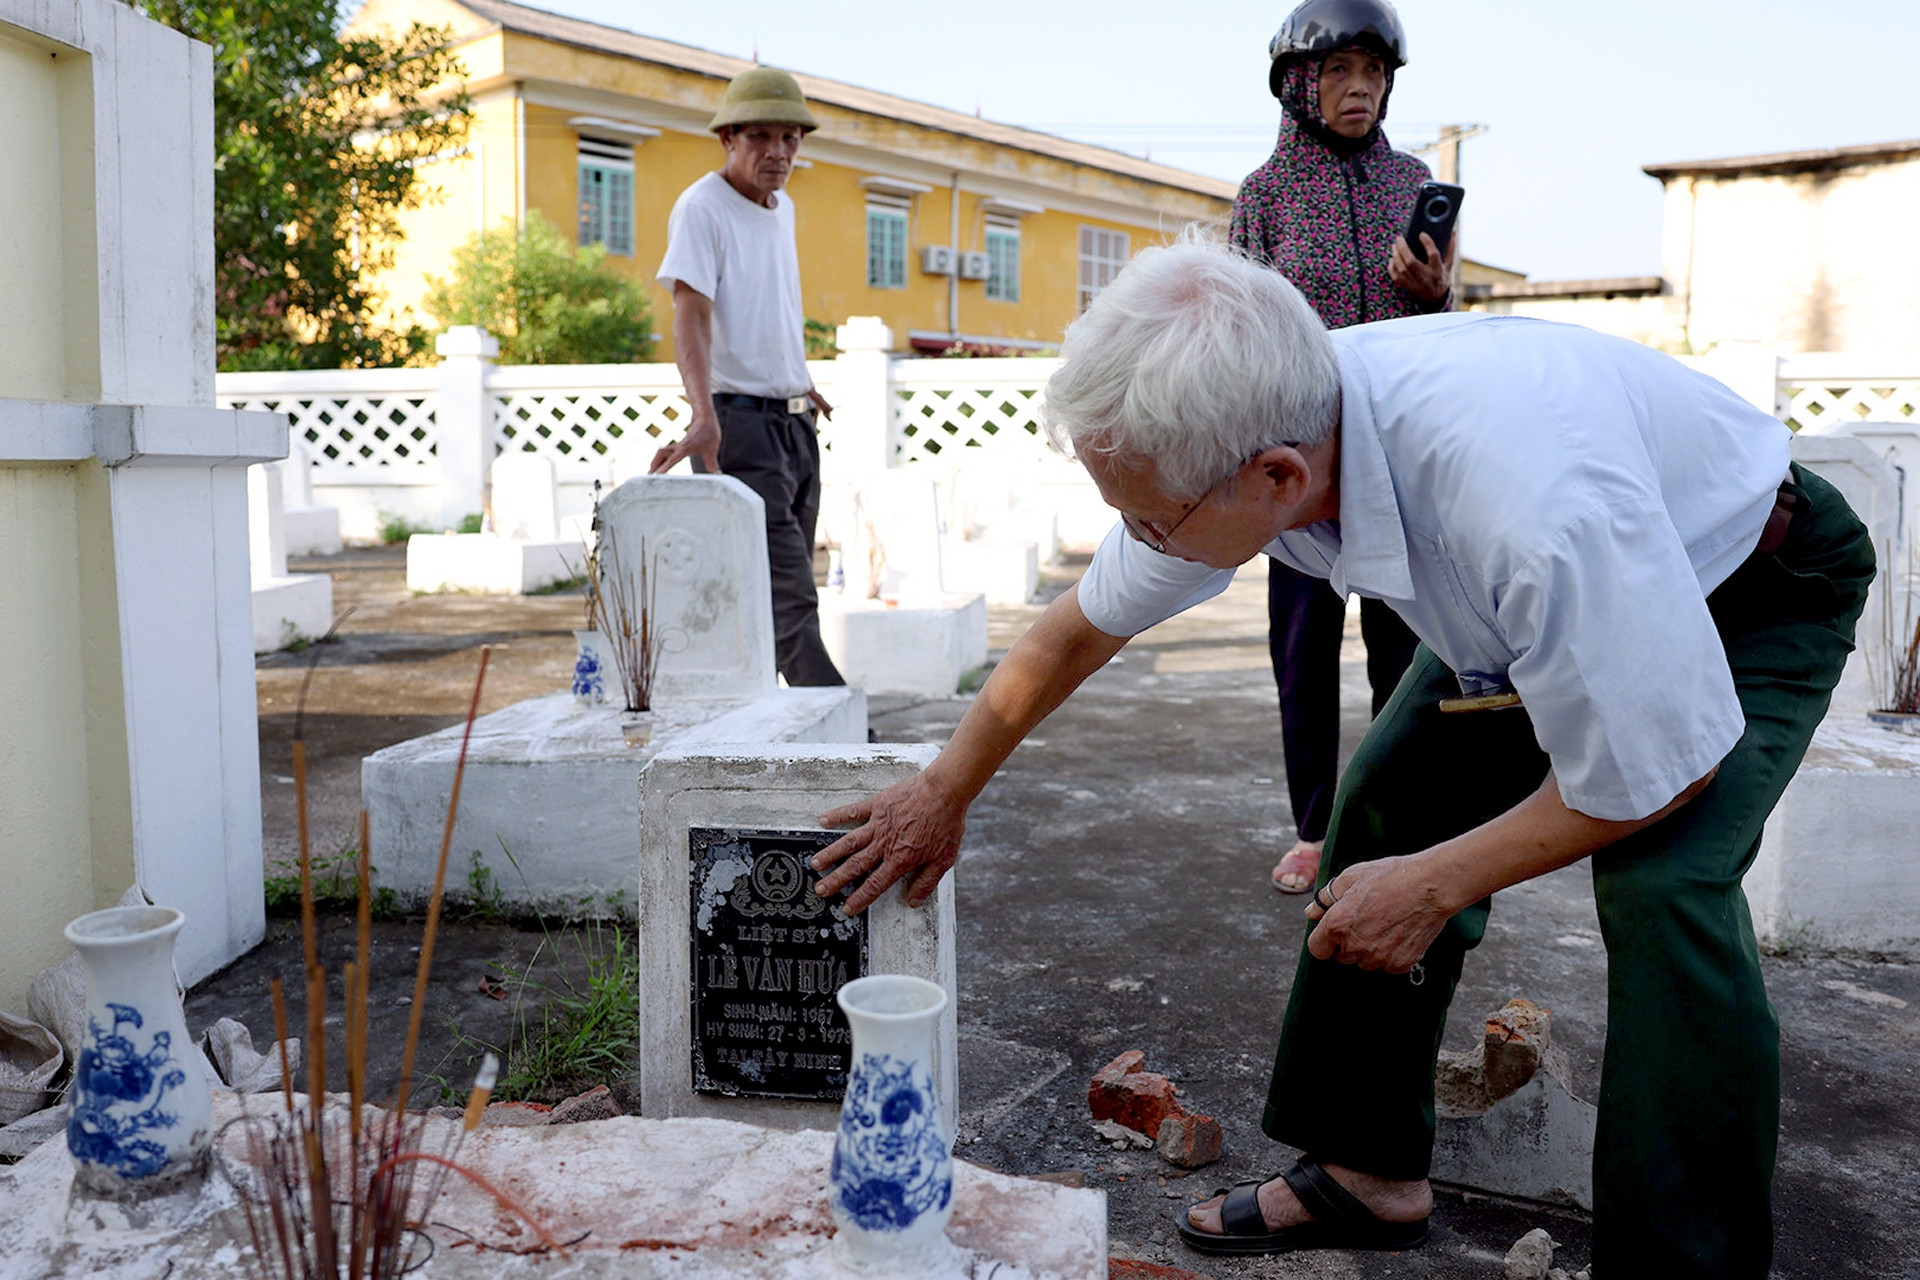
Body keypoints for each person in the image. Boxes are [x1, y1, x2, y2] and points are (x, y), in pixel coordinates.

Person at [808, 242, 1872, 1277]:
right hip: (1527, 606)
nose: (1136, 536)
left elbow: (1660, 775)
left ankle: (1687, 1260)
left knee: (1666, 883)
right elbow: (1077, 630)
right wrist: (942, 791)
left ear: (1278, 476)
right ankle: (1369, 1171)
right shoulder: (1258, 421)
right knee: (1385, 802)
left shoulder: (1532, 510)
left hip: (1747, 582)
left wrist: (1436, 883)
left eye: (1148, 519)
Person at [1233, 0, 1442, 894]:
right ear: (1299, 84)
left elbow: (1439, 334)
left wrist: (1434, 291)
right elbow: (1240, 329)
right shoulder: (1265, 194)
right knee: (1304, 654)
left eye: (1375, 72)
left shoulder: (1412, 181)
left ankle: (1392, 826)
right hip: (1299, 464)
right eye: (1340, 72)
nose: (1361, 89)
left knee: (1406, 651)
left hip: (1395, 454)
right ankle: (1317, 831)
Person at [652, 67, 844, 687]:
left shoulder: (782, 209)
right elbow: (691, 314)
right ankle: (847, 731)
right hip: (739, 428)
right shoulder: (702, 207)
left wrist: (795, 377)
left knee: (778, 590)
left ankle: (773, 721)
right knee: (789, 600)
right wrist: (703, 416)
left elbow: (768, 304)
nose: (778, 152)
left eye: (790, 138)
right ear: (727, 138)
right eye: (761, 136)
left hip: (794, 426)